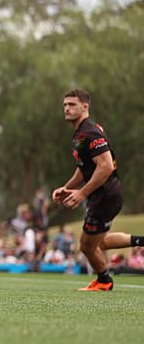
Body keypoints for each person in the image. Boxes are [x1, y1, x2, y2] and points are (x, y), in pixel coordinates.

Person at [52, 89, 143, 291]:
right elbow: (85, 167)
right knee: (99, 243)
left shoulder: (89, 132)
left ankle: (104, 281)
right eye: (65, 105)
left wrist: (82, 193)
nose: (67, 108)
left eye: (72, 104)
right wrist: (67, 188)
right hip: (104, 195)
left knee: (86, 246)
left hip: (105, 196)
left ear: (85, 107)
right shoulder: (80, 133)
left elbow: (106, 166)